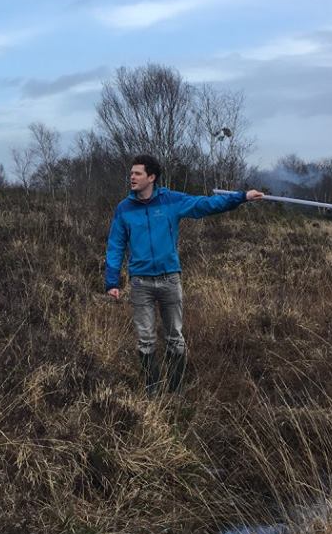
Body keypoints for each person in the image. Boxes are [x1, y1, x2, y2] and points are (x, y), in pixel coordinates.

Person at [104, 154, 263, 395]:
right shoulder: (124, 208)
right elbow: (115, 245)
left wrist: (241, 198)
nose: (132, 177)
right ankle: (152, 391)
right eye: (131, 173)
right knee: (145, 339)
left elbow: (205, 205)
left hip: (170, 279)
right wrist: (111, 280)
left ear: (151, 177)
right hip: (141, 282)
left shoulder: (171, 200)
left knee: (174, 337)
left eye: (137, 173)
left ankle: (176, 391)